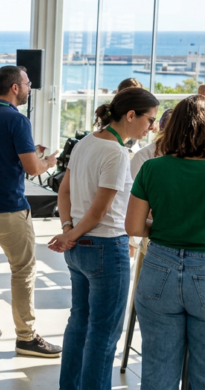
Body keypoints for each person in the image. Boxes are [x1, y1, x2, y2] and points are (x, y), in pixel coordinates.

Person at [48, 88, 158, 389]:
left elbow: (64, 191)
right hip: (106, 247)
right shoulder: (117, 152)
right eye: (150, 120)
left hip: (79, 248)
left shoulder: (86, 142)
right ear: (131, 115)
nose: (152, 127)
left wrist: (68, 229)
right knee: (104, 334)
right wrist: (70, 234)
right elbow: (99, 211)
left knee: (78, 324)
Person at [0, 65, 61, 357]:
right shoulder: (17, 120)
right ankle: (27, 337)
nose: (30, 88)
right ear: (15, 87)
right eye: (27, 83)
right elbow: (33, 168)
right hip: (8, 208)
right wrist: (48, 162)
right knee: (23, 270)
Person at [126, 94, 205, 389]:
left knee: (158, 370)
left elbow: (133, 226)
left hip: (159, 269)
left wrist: (166, 226)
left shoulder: (152, 168)